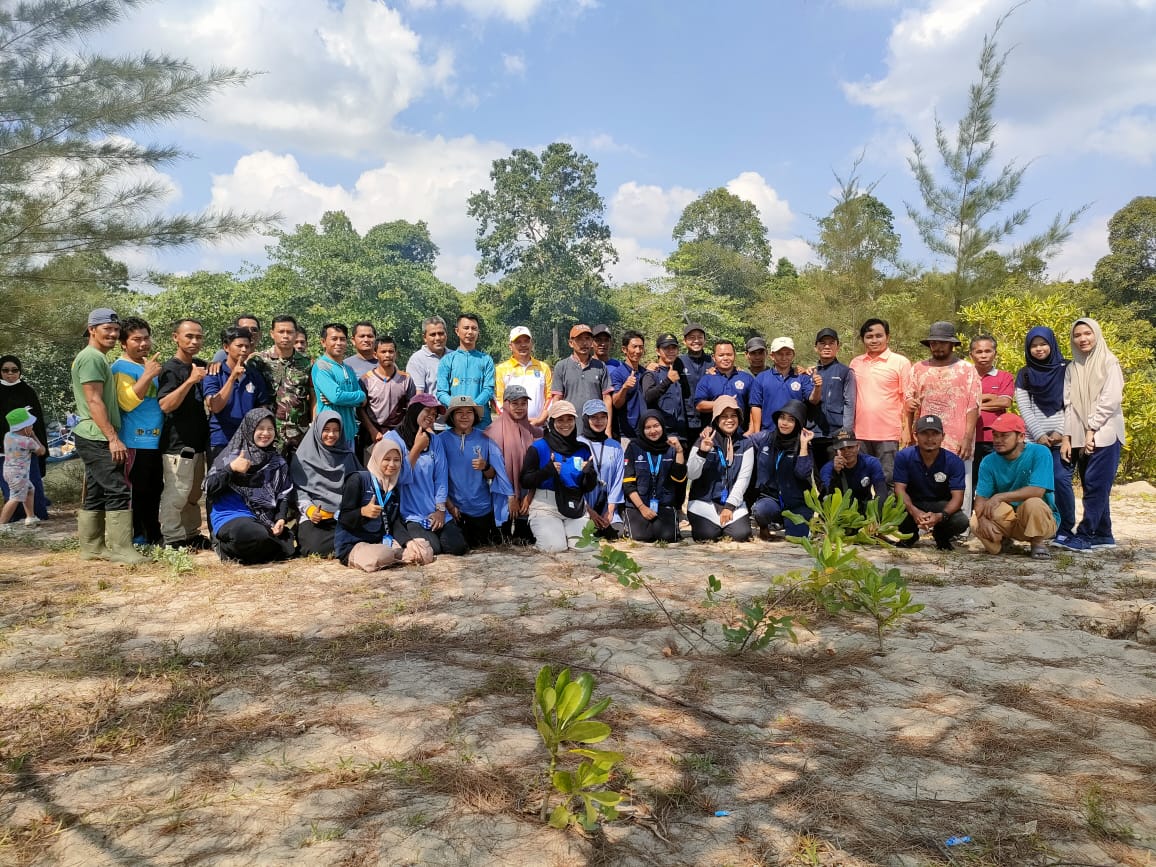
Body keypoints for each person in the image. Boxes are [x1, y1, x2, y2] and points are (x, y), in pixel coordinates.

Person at [70, 308, 144, 563]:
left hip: (94, 433)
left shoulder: (97, 357)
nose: (113, 334)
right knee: (117, 488)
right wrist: (113, 437)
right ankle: (121, 549)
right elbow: (94, 401)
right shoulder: (91, 358)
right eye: (107, 329)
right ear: (92, 330)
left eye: (116, 330)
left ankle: (92, 547)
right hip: (96, 434)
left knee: (96, 490)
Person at [1015, 326, 1080, 550]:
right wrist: (1040, 435)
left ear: (1052, 344)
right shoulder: (1024, 374)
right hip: (1035, 441)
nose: (1039, 349)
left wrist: (1061, 432)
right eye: (1034, 345)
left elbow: (1073, 403)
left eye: (1043, 344)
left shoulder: (1067, 369)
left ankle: (1065, 529)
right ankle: (1039, 529)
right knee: (1035, 484)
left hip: (1065, 440)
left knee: (1061, 480)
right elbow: (1024, 407)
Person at [1063, 317, 1126, 549]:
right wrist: (1068, 437)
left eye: (1087, 333)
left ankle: (1086, 533)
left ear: (1096, 334)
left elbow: (1111, 400)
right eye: (1077, 335)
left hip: (1106, 433)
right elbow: (1068, 405)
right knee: (1093, 485)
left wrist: (1091, 429)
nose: (1082, 339)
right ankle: (1103, 534)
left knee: (1096, 484)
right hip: (1080, 436)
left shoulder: (1109, 362)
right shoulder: (1072, 367)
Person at [204, 408, 296, 564]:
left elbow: (283, 494)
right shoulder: (232, 455)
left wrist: (280, 518)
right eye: (260, 428)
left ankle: (249, 548)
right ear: (249, 429)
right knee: (253, 535)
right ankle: (222, 545)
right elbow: (208, 487)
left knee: (284, 546)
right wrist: (231, 469)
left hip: (263, 519)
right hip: (230, 514)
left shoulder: (277, 461)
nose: (265, 433)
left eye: (270, 429)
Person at [906, 321, 981, 513]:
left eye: (942, 342)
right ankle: (925, 523)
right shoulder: (918, 369)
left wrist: (967, 437)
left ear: (952, 344)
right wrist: (908, 430)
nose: (937, 347)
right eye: (933, 343)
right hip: (925, 438)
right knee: (925, 481)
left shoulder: (967, 370)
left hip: (957, 438)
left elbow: (973, 406)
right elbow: (909, 401)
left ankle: (959, 527)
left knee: (960, 482)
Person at [335, 438, 434, 571]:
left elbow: (394, 522)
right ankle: (392, 556)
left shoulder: (393, 489)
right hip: (353, 545)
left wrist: (408, 542)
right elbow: (344, 518)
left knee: (424, 551)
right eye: (386, 459)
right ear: (377, 458)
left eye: (397, 460)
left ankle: (394, 556)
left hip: (380, 541)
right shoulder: (357, 480)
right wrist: (363, 512)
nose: (392, 464)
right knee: (382, 555)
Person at [387, 393, 468, 556]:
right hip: (411, 514)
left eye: (434, 414)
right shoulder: (393, 439)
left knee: (458, 547)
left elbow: (441, 478)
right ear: (414, 411)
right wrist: (416, 448)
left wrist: (440, 510)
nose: (431, 417)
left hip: (434, 510)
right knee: (433, 548)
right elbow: (397, 479)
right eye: (427, 412)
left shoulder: (434, 440)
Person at [972, 414, 1060, 559]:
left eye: (1004, 435)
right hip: (1010, 519)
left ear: (1021, 437)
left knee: (1033, 503)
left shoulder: (1040, 452)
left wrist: (1000, 496)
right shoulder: (988, 461)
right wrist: (982, 520)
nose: (998, 440)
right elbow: (980, 500)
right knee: (974, 521)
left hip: (1038, 517)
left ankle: (1038, 542)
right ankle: (1002, 543)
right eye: (995, 435)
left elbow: (1037, 491)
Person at [157, 319, 211, 549]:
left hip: (199, 442)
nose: (194, 341)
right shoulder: (170, 369)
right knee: (176, 494)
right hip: (178, 445)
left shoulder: (200, 364)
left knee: (193, 495)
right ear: (175, 337)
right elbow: (166, 405)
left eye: (198, 337)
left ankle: (191, 533)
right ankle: (172, 537)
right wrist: (190, 381)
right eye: (189, 336)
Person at [111, 316, 165, 545]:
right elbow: (127, 402)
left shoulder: (147, 365)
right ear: (123, 343)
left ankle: (154, 534)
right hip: (134, 441)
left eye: (146, 338)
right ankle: (137, 537)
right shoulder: (121, 367)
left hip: (156, 440)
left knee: (155, 490)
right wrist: (148, 375)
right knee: (138, 492)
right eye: (136, 339)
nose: (143, 344)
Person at [519, 401, 598, 553]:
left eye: (569, 419)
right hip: (546, 506)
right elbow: (525, 480)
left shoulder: (583, 449)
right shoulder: (539, 447)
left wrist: (590, 474)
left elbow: (588, 487)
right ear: (551, 422)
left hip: (575, 505)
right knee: (554, 547)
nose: (565, 424)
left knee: (586, 548)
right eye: (560, 420)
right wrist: (547, 470)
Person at [440, 395, 511, 549]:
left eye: (469, 412)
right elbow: (437, 478)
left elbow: (492, 475)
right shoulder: (441, 440)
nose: (465, 416)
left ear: (475, 416)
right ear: (452, 416)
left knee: (485, 548)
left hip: (482, 508)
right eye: (459, 412)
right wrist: (450, 506)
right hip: (455, 510)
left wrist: (485, 466)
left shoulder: (485, 438)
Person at [892, 415, 970, 551]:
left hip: (940, 504)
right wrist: (914, 511)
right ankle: (909, 536)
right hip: (913, 502)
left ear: (943, 436)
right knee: (892, 508)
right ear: (915, 436)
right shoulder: (903, 456)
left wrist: (940, 516)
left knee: (961, 521)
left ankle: (941, 536)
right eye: (924, 434)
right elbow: (899, 489)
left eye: (935, 434)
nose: (930, 439)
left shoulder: (954, 462)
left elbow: (958, 498)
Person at [849, 318, 912, 483]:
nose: (874, 340)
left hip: (888, 434)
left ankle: (886, 510)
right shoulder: (856, 363)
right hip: (860, 433)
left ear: (888, 337)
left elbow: (907, 398)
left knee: (888, 479)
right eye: (869, 336)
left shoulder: (900, 362)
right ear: (863, 339)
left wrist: (907, 431)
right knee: (861, 480)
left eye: (879, 335)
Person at [290, 410, 360, 557]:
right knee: (314, 547)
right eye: (326, 430)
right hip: (315, 517)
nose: (331, 435)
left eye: (336, 430)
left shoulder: (347, 456)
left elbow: (359, 484)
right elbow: (298, 490)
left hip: (342, 517)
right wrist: (310, 510)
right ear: (317, 430)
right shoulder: (302, 458)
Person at [686, 395, 754, 542]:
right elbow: (691, 474)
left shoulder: (746, 444)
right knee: (707, 535)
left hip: (731, 501)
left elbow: (744, 478)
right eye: (724, 416)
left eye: (733, 416)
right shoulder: (705, 439)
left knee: (740, 534)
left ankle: (725, 521)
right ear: (716, 419)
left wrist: (729, 506)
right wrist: (702, 452)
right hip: (704, 501)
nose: (729, 420)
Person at [249, 314, 314, 457]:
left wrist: (314, 424)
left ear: (296, 334)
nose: (285, 336)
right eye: (281, 332)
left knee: (300, 476)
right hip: (269, 433)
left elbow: (313, 396)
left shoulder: (307, 363)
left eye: (290, 332)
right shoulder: (258, 361)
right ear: (272, 334)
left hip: (300, 433)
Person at [750, 399, 815, 539]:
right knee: (760, 510)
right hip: (771, 498)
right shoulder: (765, 438)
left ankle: (789, 523)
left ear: (798, 423)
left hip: (796, 503)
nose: (784, 423)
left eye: (791, 420)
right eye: (782, 418)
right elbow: (742, 442)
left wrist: (803, 445)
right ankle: (765, 526)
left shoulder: (803, 445)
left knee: (797, 537)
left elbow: (802, 473)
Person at [204, 325, 269, 463]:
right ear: (226, 347)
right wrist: (232, 378)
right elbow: (214, 406)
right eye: (239, 346)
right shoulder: (214, 373)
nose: (244, 350)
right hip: (220, 440)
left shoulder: (254, 375)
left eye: (247, 346)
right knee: (219, 482)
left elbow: (262, 408)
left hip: (247, 442)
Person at [484, 384, 538, 545]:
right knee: (501, 540)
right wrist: (511, 496)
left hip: (527, 492)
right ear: (506, 404)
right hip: (502, 494)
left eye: (523, 403)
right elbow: (495, 471)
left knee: (525, 540)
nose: (520, 408)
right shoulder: (492, 432)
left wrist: (528, 496)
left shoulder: (534, 432)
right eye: (515, 403)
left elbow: (537, 468)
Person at [622, 410, 686, 543]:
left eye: (656, 426)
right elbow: (628, 484)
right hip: (639, 505)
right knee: (640, 537)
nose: (653, 431)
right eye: (648, 427)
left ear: (662, 426)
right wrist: (642, 507)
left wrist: (679, 452)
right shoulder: (634, 447)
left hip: (664, 504)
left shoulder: (671, 447)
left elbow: (679, 479)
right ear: (642, 429)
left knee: (668, 537)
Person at [0, 355, 49, 520]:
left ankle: (33, 516)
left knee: (32, 488)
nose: (10, 374)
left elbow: (38, 421)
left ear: (20, 371)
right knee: (12, 491)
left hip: (28, 452)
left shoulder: (27, 391)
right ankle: (6, 522)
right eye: (5, 370)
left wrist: (36, 439)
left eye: (14, 370)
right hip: (4, 454)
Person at [358, 335, 416, 464]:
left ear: (396, 354)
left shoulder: (406, 379)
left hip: (398, 434)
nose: (387, 355)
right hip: (372, 435)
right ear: (375, 354)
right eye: (383, 352)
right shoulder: (365, 380)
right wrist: (373, 431)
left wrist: (402, 433)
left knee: (396, 471)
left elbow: (412, 409)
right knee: (372, 473)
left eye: (391, 351)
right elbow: (360, 410)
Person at [969, 334, 1015, 489]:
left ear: (995, 353)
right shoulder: (965, 376)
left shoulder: (1004, 376)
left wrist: (974, 404)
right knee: (970, 482)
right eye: (979, 351)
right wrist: (989, 397)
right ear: (971, 355)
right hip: (969, 438)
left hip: (994, 438)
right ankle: (968, 513)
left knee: (995, 481)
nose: (983, 355)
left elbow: (1005, 401)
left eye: (988, 351)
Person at [552, 324, 613, 439]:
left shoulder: (600, 366)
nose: (584, 343)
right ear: (571, 343)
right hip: (570, 428)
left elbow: (607, 398)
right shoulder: (561, 366)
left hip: (596, 427)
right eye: (579, 339)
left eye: (587, 339)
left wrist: (608, 428)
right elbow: (557, 399)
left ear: (591, 342)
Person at [748, 337, 820, 434]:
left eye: (788, 354)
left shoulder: (802, 377)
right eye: (780, 354)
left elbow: (813, 400)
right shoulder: (761, 378)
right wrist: (757, 433)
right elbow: (756, 406)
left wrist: (818, 387)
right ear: (772, 356)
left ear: (793, 355)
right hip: (768, 433)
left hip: (794, 435)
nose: (784, 358)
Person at [808, 328, 856, 472]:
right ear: (816, 347)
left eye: (831, 343)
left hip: (835, 434)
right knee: (819, 477)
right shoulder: (810, 372)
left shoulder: (845, 372)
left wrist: (845, 434)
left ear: (838, 347)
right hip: (814, 433)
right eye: (822, 343)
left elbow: (850, 403)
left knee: (837, 476)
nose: (827, 347)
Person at [436, 313, 495, 429]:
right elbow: (441, 392)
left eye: (474, 329)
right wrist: (457, 406)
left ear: (478, 332)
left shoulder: (486, 360)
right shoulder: (447, 360)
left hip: (481, 422)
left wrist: (473, 406)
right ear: (457, 331)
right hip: (454, 421)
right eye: (466, 328)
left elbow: (488, 389)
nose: (470, 332)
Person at [311, 323, 365, 449]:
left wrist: (359, 397)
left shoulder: (348, 369)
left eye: (342, 339)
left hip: (349, 433)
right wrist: (358, 397)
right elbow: (336, 397)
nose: (339, 343)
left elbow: (361, 397)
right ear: (323, 342)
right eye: (334, 339)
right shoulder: (322, 366)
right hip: (330, 435)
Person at [579, 399, 624, 540]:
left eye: (603, 417)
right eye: (594, 417)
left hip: (607, 506)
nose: (599, 421)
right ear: (586, 419)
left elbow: (618, 480)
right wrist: (589, 511)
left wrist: (610, 512)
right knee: (586, 533)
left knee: (617, 532)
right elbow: (573, 483)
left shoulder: (615, 446)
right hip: (584, 507)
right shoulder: (577, 444)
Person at [819, 429, 887, 516]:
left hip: (865, 510)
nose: (847, 452)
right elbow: (827, 497)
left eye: (850, 447)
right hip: (839, 513)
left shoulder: (871, 463)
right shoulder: (827, 469)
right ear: (836, 451)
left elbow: (881, 491)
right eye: (842, 449)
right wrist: (835, 473)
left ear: (858, 446)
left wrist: (875, 516)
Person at [494, 326, 551, 427]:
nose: (523, 345)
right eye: (518, 342)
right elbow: (498, 400)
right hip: (512, 427)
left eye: (526, 341)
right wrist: (510, 420)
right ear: (510, 346)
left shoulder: (543, 367)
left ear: (531, 343)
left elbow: (550, 397)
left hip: (539, 427)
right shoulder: (501, 369)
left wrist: (541, 419)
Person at [1, 407, 45, 531]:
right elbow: (41, 451)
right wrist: (34, 436)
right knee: (15, 498)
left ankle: (30, 517)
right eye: (31, 426)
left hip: (9, 471)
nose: (32, 428)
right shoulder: (27, 441)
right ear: (25, 428)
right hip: (19, 475)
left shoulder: (8, 436)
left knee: (30, 490)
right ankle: (2, 524)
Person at [642, 332, 691, 442]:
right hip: (661, 434)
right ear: (658, 351)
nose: (671, 351)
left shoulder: (679, 371)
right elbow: (648, 397)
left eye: (673, 348)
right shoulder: (651, 373)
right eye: (666, 348)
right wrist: (667, 381)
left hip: (681, 434)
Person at [694, 339, 755, 426]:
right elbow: (699, 405)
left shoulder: (747, 378)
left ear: (734, 356)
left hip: (741, 434)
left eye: (729, 354)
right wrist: (723, 403)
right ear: (713, 357)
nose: (725, 358)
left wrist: (751, 430)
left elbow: (754, 406)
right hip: (713, 434)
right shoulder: (707, 379)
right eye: (721, 355)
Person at [610, 330, 648, 441]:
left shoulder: (645, 372)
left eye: (641, 347)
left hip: (647, 432)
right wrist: (625, 387)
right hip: (627, 434)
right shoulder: (617, 374)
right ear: (624, 349)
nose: (638, 351)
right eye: (634, 346)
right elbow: (616, 403)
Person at [406, 316, 449, 396]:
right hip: (430, 408)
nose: (438, 338)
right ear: (425, 338)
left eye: (441, 333)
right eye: (433, 335)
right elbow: (418, 396)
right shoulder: (417, 360)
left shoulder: (454, 357)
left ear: (446, 334)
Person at [679, 322, 710, 433]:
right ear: (684, 341)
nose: (696, 341)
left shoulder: (712, 362)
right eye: (692, 338)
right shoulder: (678, 362)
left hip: (708, 420)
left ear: (705, 340)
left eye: (700, 337)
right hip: (685, 421)